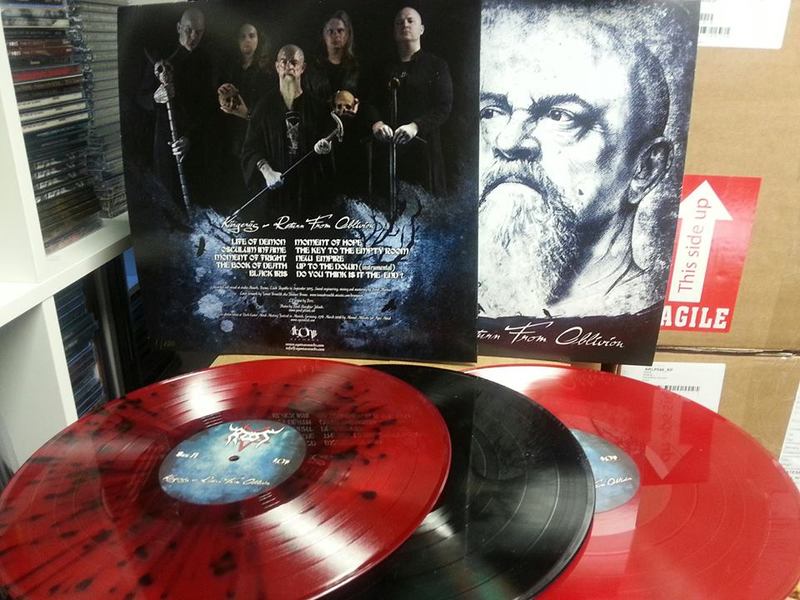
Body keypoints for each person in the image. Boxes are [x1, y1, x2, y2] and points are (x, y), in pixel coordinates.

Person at [478, 3, 674, 319]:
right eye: (491, 112)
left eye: (560, 116)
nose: (508, 141)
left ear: (645, 169)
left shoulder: (647, 319)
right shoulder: (436, 307)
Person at [136, 6, 220, 210]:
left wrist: (190, 138)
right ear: (178, 28)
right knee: (169, 201)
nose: (194, 36)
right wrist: (155, 98)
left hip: (195, 142)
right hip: (165, 141)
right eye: (189, 30)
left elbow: (208, 108)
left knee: (198, 203)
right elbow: (140, 98)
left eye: (199, 32)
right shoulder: (161, 60)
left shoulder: (206, 61)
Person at [240, 45, 334, 218]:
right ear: (277, 67)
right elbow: (250, 149)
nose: (289, 66)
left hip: (310, 198)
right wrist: (267, 172)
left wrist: (327, 148)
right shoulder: (263, 107)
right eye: (283, 62)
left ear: (302, 68)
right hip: (274, 199)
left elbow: (330, 148)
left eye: (294, 62)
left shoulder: (319, 108)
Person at [368, 6, 452, 197]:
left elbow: (443, 106)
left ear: (421, 29)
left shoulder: (436, 65)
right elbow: (368, 101)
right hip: (387, 152)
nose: (404, 24)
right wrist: (377, 124)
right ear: (393, 31)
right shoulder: (382, 68)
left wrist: (416, 126)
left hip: (423, 152)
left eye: (410, 20)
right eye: (399, 22)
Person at [216, 22, 274, 208]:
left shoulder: (267, 71)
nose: (247, 40)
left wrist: (247, 114)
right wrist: (222, 97)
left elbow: (269, 109)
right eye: (242, 36)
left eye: (251, 35)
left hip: (256, 136)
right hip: (231, 136)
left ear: (258, 39)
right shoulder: (229, 68)